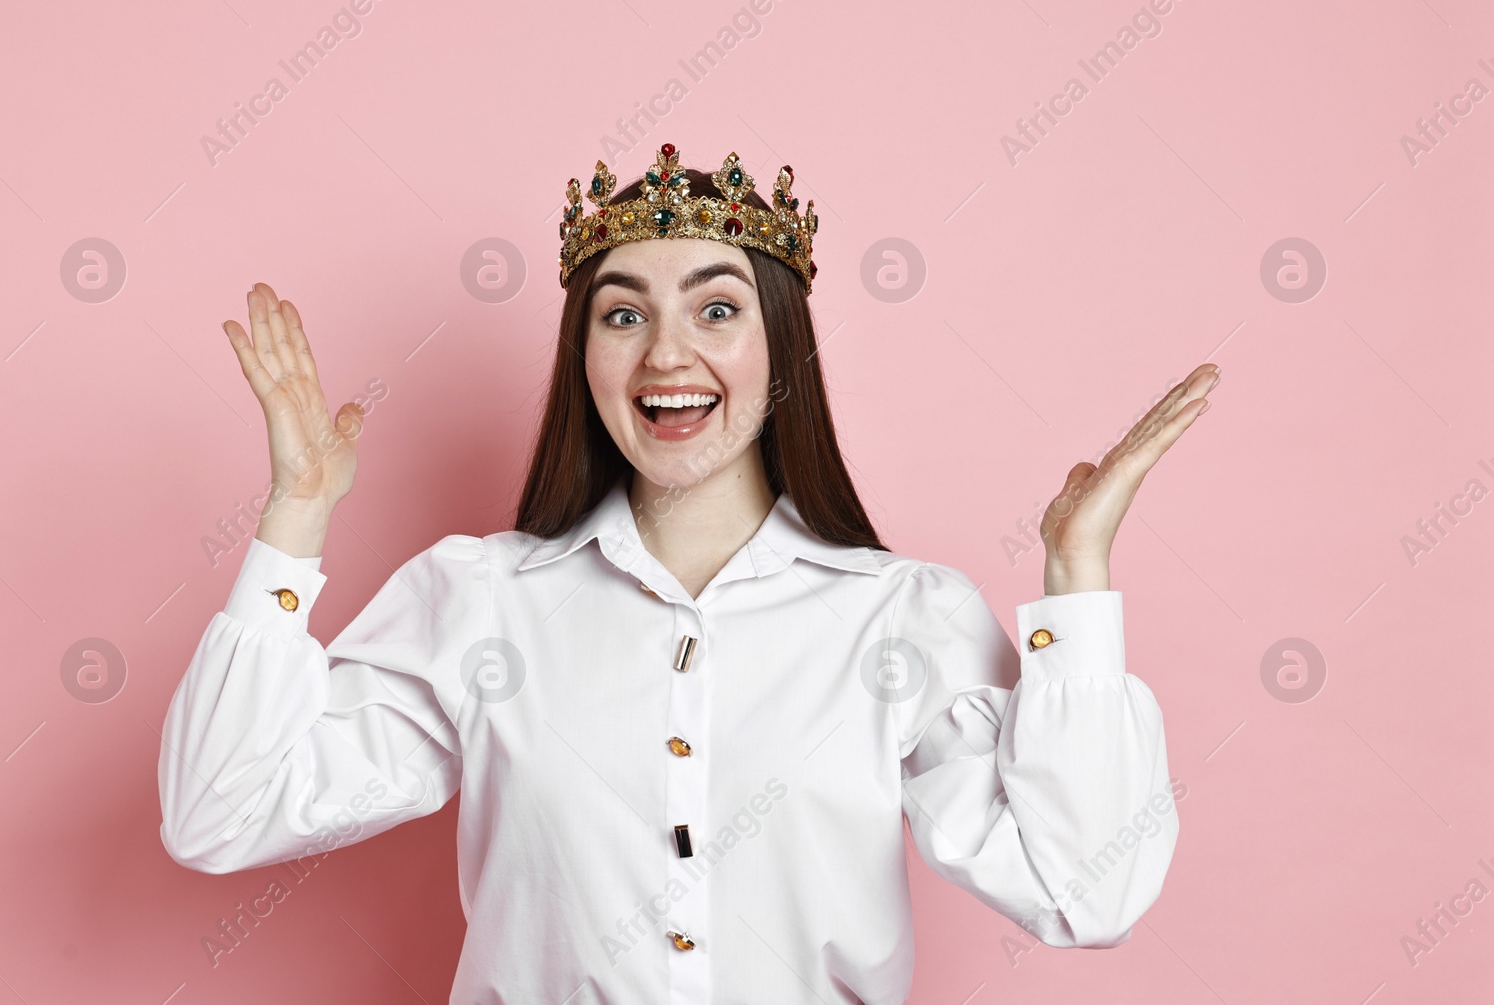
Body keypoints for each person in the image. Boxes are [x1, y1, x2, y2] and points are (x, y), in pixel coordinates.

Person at [158, 144, 1213, 1003]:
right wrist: (295, 516)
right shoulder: (478, 600)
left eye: (716, 309)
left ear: (779, 345)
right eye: (623, 314)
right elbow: (218, 814)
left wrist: (1076, 580)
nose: (667, 352)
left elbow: (1088, 890)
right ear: (585, 354)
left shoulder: (904, 618)